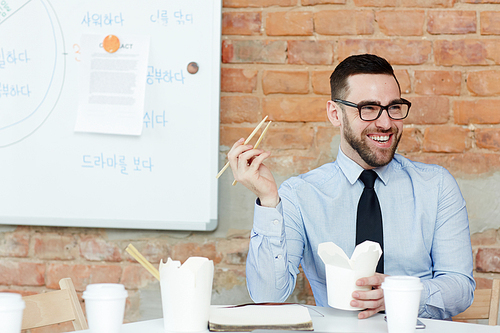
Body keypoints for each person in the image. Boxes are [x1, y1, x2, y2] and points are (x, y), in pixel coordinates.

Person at [227, 53, 475, 320]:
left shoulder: (436, 186)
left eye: (394, 107)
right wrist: (268, 202)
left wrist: (397, 293)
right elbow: (268, 297)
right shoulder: (300, 195)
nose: (385, 122)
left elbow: (460, 288)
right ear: (336, 114)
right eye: (368, 108)